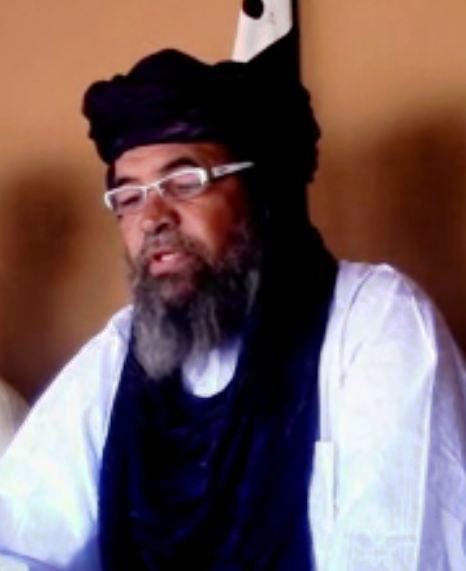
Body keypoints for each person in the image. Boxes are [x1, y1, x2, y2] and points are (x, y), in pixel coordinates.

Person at [0, 35, 465, 571]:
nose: (152, 219)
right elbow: (20, 541)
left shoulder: (375, 322)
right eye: (128, 197)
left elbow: (403, 553)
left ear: (259, 193)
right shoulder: (118, 353)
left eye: (184, 182)